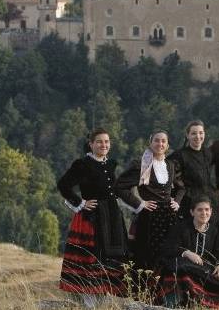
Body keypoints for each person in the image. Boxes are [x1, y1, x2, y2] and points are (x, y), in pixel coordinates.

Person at [57, 128, 128, 308]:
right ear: (91, 144)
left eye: (106, 142)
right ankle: (89, 306)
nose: (104, 145)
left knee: (108, 262)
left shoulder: (111, 164)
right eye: (99, 142)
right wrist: (80, 203)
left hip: (111, 218)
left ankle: (101, 305)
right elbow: (63, 185)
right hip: (92, 219)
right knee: (92, 264)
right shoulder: (83, 164)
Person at [115, 130, 185, 269]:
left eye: (163, 141)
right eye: (157, 140)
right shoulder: (140, 165)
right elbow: (119, 187)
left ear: (167, 145)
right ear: (150, 143)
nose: (160, 143)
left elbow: (181, 187)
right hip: (148, 218)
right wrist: (139, 203)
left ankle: (163, 289)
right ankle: (143, 288)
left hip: (168, 217)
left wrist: (176, 201)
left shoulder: (170, 165)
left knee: (166, 254)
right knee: (145, 255)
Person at [159, 196, 219, 308]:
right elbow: (168, 248)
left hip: (204, 271)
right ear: (192, 212)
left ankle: (206, 303)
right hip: (183, 269)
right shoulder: (181, 228)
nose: (204, 213)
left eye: (207, 210)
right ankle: (175, 303)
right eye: (199, 210)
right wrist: (186, 253)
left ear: (211, 211)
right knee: (181, 266)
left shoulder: (215, 230)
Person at [168, 120, 216, 219]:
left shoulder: (208, 153)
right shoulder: (179, 155)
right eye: (193, 133)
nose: (198, 136)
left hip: (207, 202)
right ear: (187, 135)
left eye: (201, 133)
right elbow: (168, 176)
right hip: (188, 203)